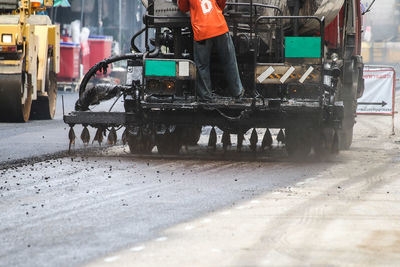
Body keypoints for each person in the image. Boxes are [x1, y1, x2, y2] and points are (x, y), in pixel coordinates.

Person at [178, 0, 244, 101]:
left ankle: (206, 96)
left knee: (202, 66)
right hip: (220, 28)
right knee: (229, 61)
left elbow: (183, 8)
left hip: (202, 32)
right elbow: (222, 3)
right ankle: (237, 92)